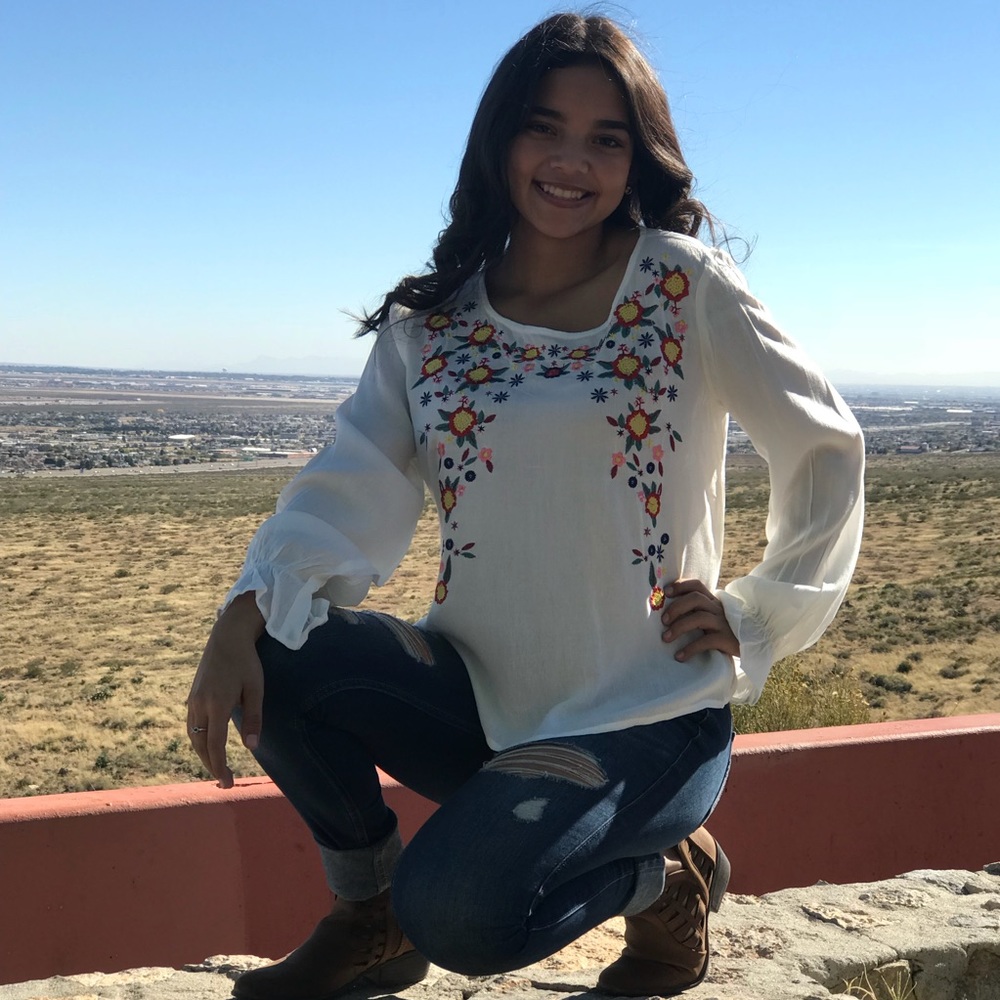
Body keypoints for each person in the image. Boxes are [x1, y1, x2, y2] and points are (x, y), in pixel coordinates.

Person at [186, 12, 865, 999]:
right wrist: (240, 612)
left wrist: (761, 610)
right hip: (477, 698)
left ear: (638, 158)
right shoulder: (435, 326)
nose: (569, 161)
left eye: (606, 137)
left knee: (461, 908)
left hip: (649, 711)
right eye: (543, 127)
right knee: (280, 649)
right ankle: (367, 914)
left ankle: (659, 878)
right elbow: (352, 480)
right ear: (500, 139)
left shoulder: (682, 287)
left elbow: (823, 441)